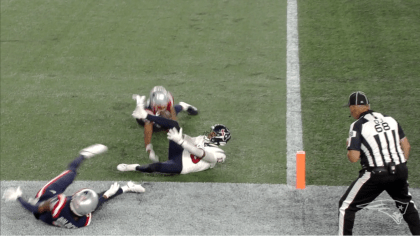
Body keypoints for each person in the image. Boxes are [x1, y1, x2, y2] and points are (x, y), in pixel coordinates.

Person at [2, 144, 145, 229]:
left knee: (71, 173)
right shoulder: (82, 221)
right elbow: (100, 201)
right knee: (98, 198)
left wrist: (19, 198)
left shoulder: (60, 204)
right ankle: (128, 187)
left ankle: (83, 155)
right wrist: (118, 190)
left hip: (46, 200)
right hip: (55, 211)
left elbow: (35, 209)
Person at [339, 91, 420, 235]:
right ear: (368, 106)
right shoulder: (390, 119)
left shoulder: (357, 125)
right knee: (406, 204)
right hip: (400, 170)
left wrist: (348, 146)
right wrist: (399, 165)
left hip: (376, 174)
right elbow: (406, 146)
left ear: (353, 107)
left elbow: (353, 157)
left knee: (345, 207)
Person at [117, 95, 231, 175]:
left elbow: (203, 155)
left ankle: (133, 167)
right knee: (174, 125)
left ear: (220, 139)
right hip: (180, 153)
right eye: (212, 132)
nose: (210, 134)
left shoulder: (220, 154)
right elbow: (189, 139)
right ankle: (145, 115)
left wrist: (181, 141)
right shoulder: (203, 139)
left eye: (213, 133)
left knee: (156, 167)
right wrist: (178, 136)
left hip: (181, 166)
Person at [133, 86, 199, 163]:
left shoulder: (169, 99)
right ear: (153, 103)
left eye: (164, 104)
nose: (162, 106)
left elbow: (173, 116)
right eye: (160, 105)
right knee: (151, 125)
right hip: (149, 117)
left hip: (160, 115)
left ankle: (182, 105)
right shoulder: (148, 109)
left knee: (170, 116)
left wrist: (175, 129)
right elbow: (148, 129)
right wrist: (149, 148)